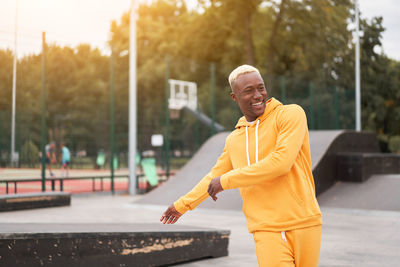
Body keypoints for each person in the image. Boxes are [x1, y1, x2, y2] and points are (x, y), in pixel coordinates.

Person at [160, 65, 322, 267]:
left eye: (260, 88)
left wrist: (227, 181)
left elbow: (281, 163)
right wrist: (181, 205)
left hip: (306, 221)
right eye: (249, 91)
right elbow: (214, 177)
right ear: (234, 97)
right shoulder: (234, 140)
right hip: (266, 227)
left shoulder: (290, 114)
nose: (258, 95)